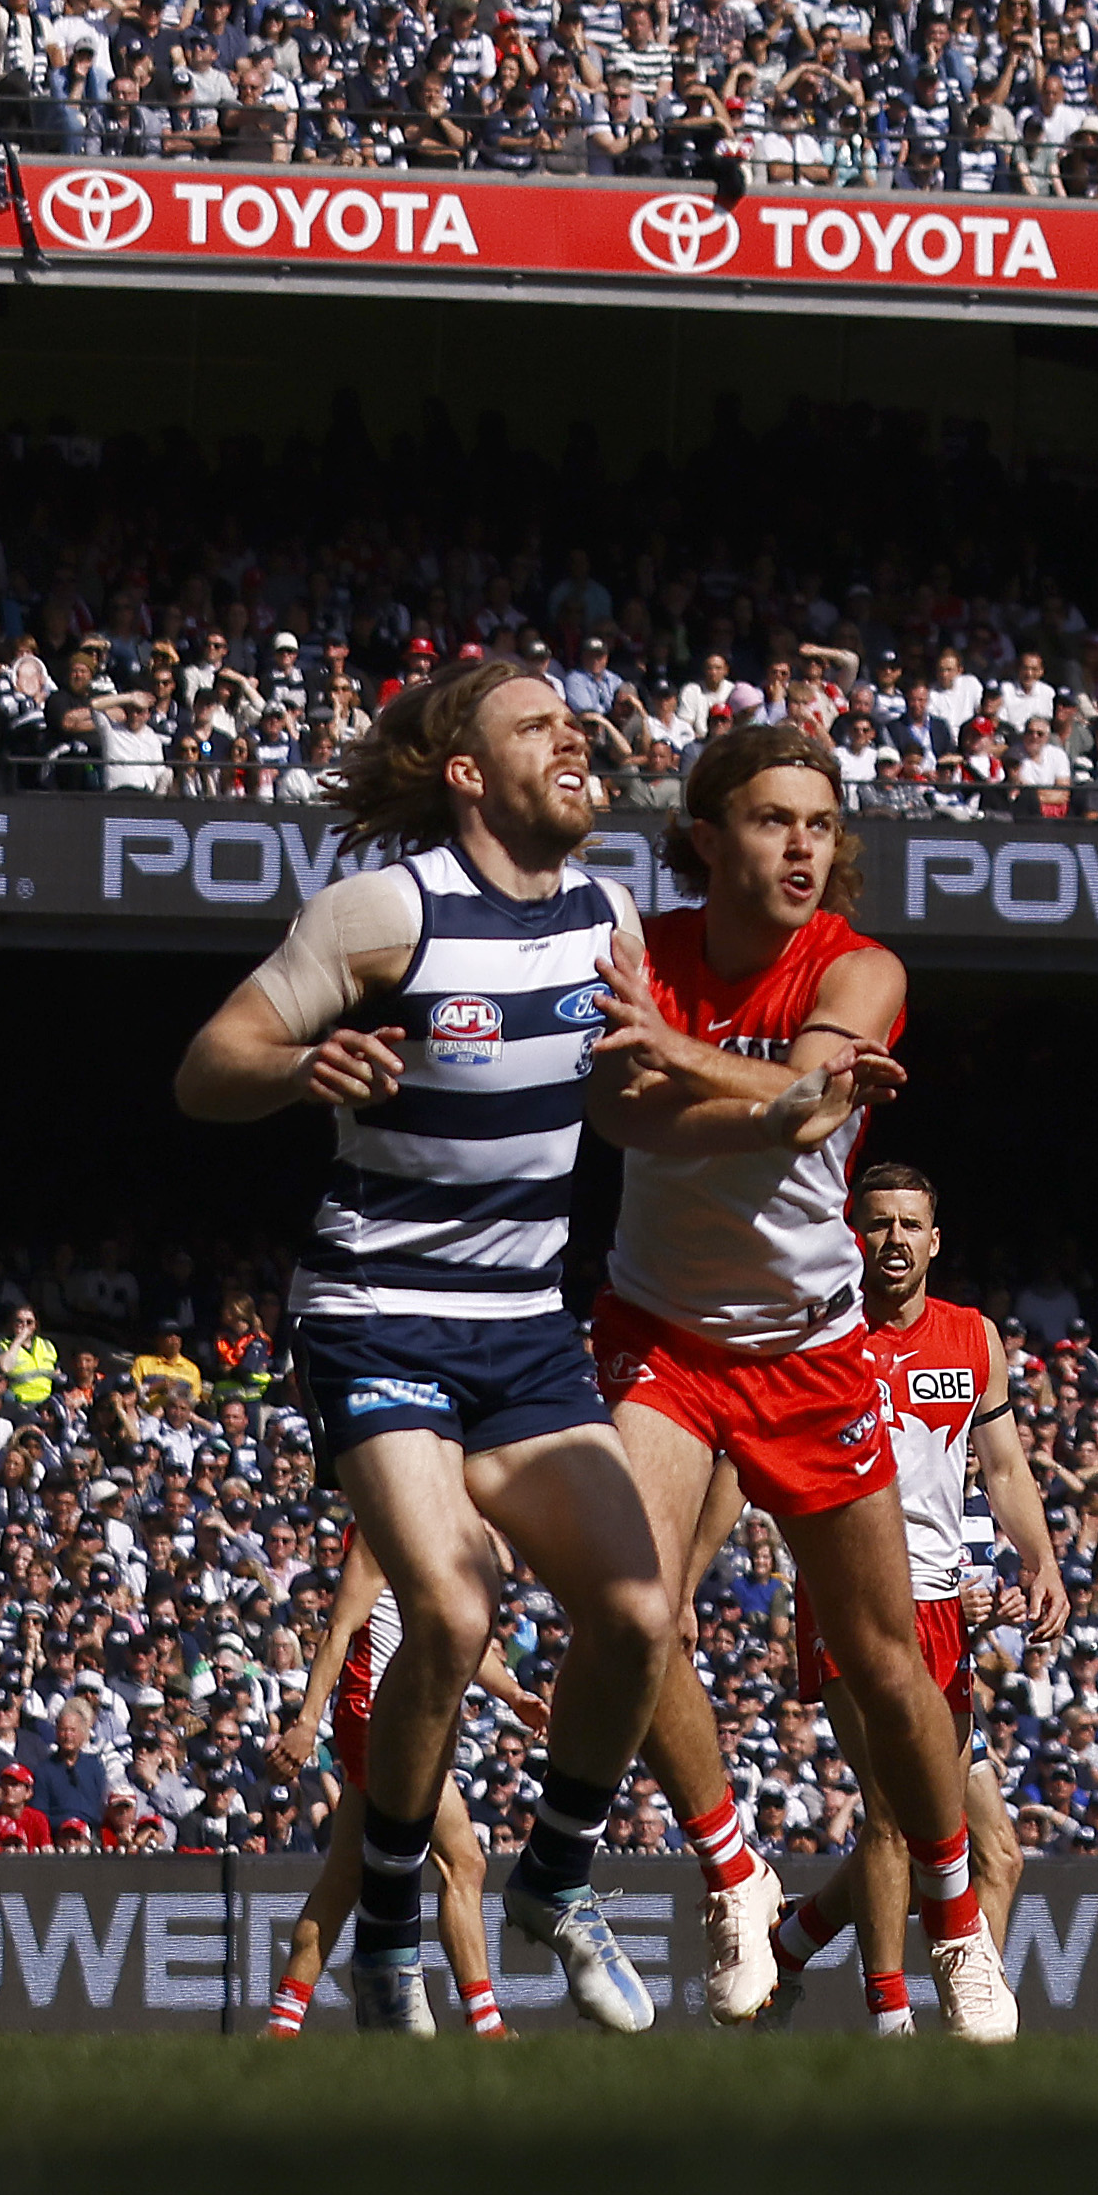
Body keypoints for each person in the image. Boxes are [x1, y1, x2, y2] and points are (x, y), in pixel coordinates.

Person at [175, 650, 875, 2040]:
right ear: (466, 772)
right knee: (446, 1606)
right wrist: (301, 1066)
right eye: (539, 726)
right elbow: (207, 1066)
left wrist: (769, 1116)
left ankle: (554, 1879)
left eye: (580, 723)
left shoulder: (607, 912)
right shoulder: (385, 911)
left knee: (632, 1613)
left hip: (524, 1329)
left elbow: (619, 1110)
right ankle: (390, 1916)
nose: (578, 741)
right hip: (378, 1309)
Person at [600, 721, 1000, 2038]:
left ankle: (956, 1925)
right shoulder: (634, 949)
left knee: (892, 1668)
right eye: (772, 821)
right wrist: (774, 1095)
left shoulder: (861, 965)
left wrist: (721, 1075)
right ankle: (729, 1872)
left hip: (807, 1346)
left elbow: (794, 1085)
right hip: (661, 1332)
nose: (801, 847)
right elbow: (624, 1113)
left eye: (819, 826)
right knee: (627, 1609)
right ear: (706, 836)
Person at [824, 1157, 1061, 2040]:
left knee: (995, 1848)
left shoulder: (971, 1337)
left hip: (945, 1604)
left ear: (933, 1237)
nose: (891, 1239)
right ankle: (892, 2025)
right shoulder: (824, 1330)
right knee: (894, 1806)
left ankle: (963, 2026)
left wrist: (1039, 1560)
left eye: (906, 1224)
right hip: (852, 1592)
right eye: (875, 1221)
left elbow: (1002, 1467)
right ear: (855, 1232)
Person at [243, 1538, 506, 2038]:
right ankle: (486, 2023)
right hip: (380, 1718)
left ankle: (283, 2022)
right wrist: (306, 1723)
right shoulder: (380, 1535)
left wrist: (513, 1693)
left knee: (343, 1880)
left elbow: (465, 1643)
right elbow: (338, 1629)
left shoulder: (428, 1533)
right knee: (463, 1862)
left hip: (398, 1720)